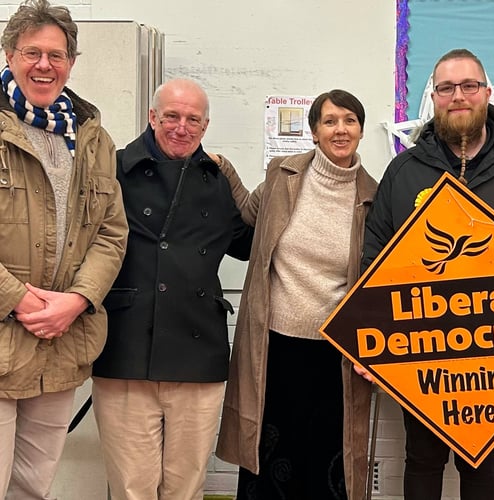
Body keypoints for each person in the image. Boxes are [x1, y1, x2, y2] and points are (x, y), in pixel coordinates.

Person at [361, 48, 494, 500]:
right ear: (433, 97)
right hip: (422, 344)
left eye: (469, 86)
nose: (459, 96)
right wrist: (367, 335)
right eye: (447, 88)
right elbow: (375, 254)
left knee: (482, 459)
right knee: (422, 457)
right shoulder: (404, 170)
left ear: (487, 93)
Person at [90, 78, 252, 500]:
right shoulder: (114, 168)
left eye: (192, 119)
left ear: (206, 124)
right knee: (132, 487)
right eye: (171, 117)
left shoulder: (217, 179)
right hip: (126, 345)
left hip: (198, 349)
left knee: (187, 485)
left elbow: (249, 244)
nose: (182, 128)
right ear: (152, 117)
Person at [216, 89, 379, 500]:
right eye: (329, 121)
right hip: (274, 345)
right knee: (270, 456)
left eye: (349, 120)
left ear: (360, 130)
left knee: (326, 458)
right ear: (313, 132)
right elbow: (246, 215)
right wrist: (225, 170)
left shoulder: (373, 196)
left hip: (335, 351)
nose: (340, 129)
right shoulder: (282, 174)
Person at [0, 0, 128, 497]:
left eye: (56, 55)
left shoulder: (94, 139)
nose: (44, 66)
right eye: (32, 52)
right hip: (7, 333)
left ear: (71, 62)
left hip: (61, 347)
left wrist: (76, 301)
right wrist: (22, 300)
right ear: (10, 54)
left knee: (33, 487)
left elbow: (111, 233)